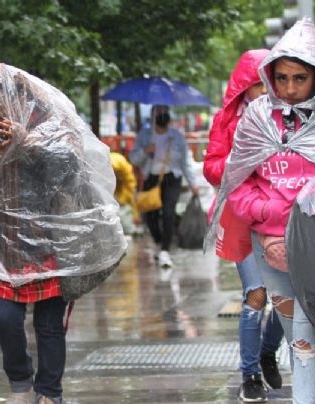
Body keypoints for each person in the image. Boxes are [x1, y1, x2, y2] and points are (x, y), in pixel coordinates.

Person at [206, 18, 315, 403]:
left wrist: (290, 226)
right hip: (270, 250)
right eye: (281, 78)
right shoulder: (257, 117)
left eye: (300, 78)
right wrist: (269, 225)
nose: (290, 88)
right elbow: (237, 181)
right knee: (301, 338)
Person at [0, 64, 125, 404]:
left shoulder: (53, 128)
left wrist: (25, 142)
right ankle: (20, 381)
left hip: (50, 247)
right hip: (7, 252)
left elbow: (67, 173)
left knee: (49, 326)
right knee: (5, 319)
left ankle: (49, 392)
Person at [204, 48, 284, 403]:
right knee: (256, 295)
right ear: (244, 89)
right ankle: (249, 373)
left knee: (288, 298)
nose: (264, 94)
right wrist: (243, 161)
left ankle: (267, 351)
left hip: (281, 218)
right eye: (257, 87)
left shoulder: (289, 118)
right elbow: (211, 168)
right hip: (242, 218)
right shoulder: (226, 121)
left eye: (269, 86)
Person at [129, 105, 198, 268]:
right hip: (150, 179)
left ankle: (165, 250)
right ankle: (160, 242)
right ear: (153, 115)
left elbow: (185, 161)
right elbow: (133, 159)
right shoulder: (145, 135)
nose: (162, 114)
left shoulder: (176, 136)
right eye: (158, 112)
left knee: (168, 213)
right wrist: (146, 151)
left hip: (172, 178)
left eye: (164, 111)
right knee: (150, 217)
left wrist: (192, 182)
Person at [110, 151, 138, 235]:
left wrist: (122, 199)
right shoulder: (117, 164)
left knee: (125, 212)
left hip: (120, 191)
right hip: (115, 191)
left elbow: (129, 185)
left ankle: (128, 230)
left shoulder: (122, 168)